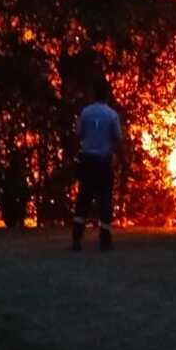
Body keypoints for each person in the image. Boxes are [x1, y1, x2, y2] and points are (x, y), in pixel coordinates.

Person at [68, 56, 123, 252]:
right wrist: (118, 159)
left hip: (86, 160)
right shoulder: (111, 115)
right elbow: (117, 139)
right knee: (105, 199)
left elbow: (78, 135)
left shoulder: (85, 113)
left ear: (92, 94)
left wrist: (76, 156)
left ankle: (76, 238)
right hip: (103, 161)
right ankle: (105, 240)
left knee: (83, 198)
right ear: (107, 94)